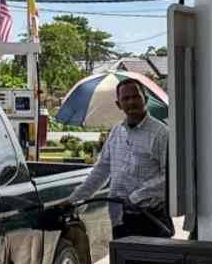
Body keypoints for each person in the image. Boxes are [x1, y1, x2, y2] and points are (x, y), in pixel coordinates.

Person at [67, 78, 172, 239]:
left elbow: (170, 177)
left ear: (146, 99)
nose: (131, 102)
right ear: (119, 104)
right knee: (123, 263)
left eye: (136, 96)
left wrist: (137, 197)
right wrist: (73, 200)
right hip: (120, 219)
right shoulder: (117, 132)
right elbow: (101, 171)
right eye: (126, 98)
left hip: (151, 219)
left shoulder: (160, 133)